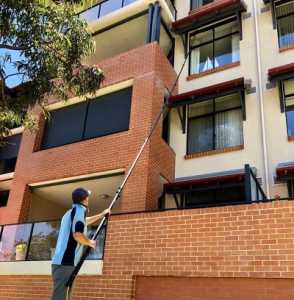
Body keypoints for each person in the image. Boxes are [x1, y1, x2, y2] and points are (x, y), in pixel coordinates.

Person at [51, 187, 110, 300]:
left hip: (62, 264)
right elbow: (77, 234)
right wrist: (89, 242)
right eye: (87, 197)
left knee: (64, 296)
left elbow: (84, 222)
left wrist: (101, 215)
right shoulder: (79, 211)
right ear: (85, 199)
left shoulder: (69, 213)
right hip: (65, 263)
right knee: (60, 297)